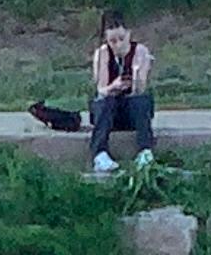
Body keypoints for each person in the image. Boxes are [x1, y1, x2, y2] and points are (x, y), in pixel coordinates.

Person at [30, 10, 153, 171]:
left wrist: (137, 75)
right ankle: (100, 154)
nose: (118, 45)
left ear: (129, 35)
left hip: (132, 112)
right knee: (105, 101)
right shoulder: (103, 54)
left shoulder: (140, 52)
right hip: (108, 113)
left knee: (141, 101)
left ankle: (145, 152)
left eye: (122, 39)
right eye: (112, 41)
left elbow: (140, 90)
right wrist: (113, 87)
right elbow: (101, 90)